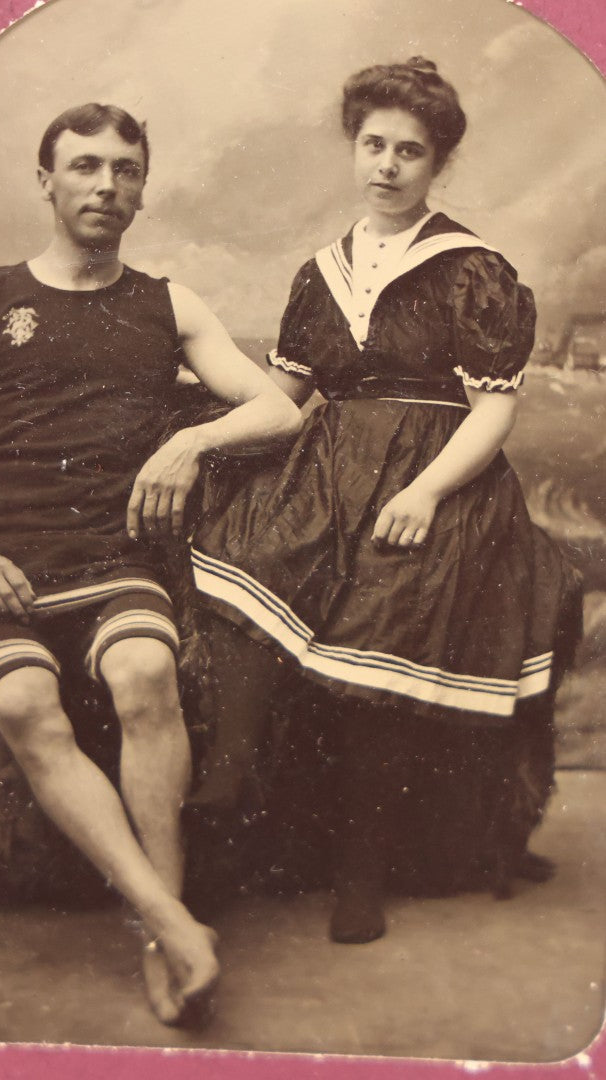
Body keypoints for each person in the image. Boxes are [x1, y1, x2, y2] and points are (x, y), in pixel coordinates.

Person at [0, 102, 302, 1025]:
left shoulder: (168, 302)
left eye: (124, 169)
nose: (105, 185)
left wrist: (190, 444)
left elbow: (279, 410)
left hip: (112, 557)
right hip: (0, 560)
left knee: (144, 673)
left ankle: (156, 935)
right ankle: (174, 923)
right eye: (84, 167)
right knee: (20, 702)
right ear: (45, 180)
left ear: (142, 187)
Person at [187, 59, 581, 943]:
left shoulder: (472, 268)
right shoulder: (319, 274)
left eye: (411, 150)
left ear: (438, 163)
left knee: (382, 633)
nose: (388, 165)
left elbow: (495, 412)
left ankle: (359, 878)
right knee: (253, 553)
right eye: (374, 145)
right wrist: (197, 418)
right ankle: (225, 785)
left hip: (441, 481)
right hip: (329, 476)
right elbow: (283, 397)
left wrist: (427, 491)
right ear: (352, 147)